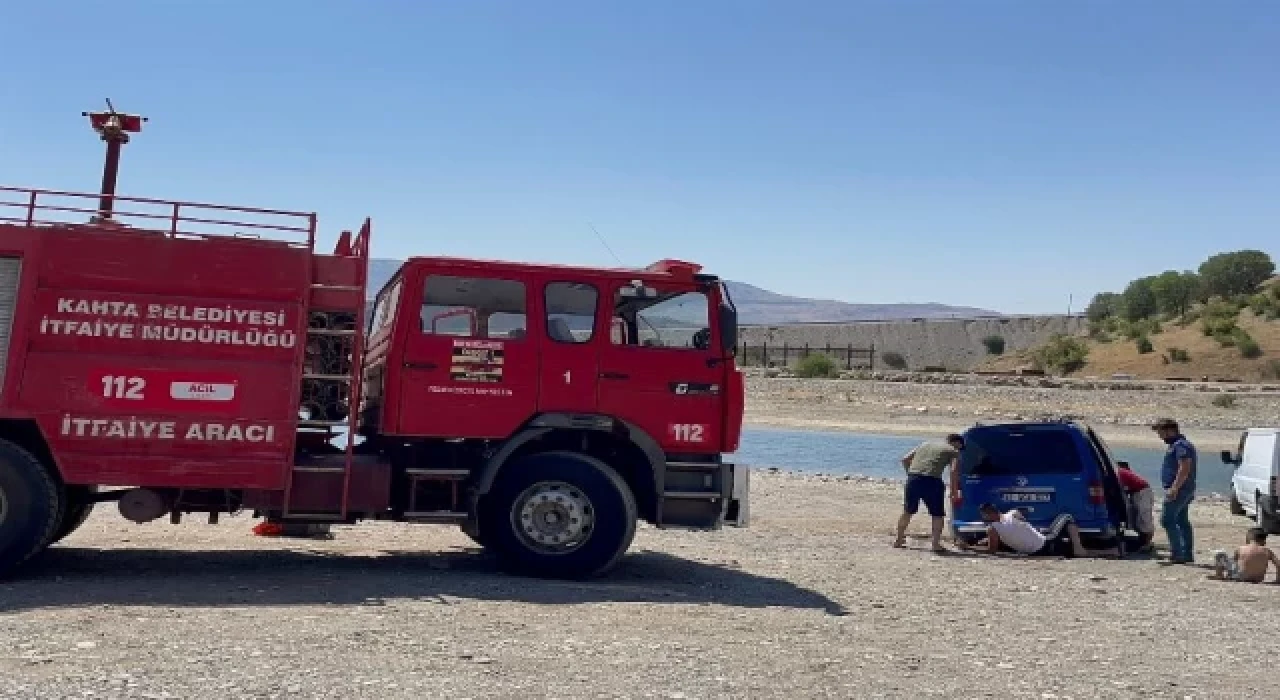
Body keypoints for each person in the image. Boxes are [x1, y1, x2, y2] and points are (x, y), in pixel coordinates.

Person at [962, 503, 1119, 558]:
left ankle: (1104, 551)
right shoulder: (1013, 513)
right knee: (1067, 517)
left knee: (1067, 549)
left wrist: (970, 547)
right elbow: (1022, 519)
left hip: (1036, 549)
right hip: (1044, 542)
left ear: (987, 514)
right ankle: (1081, 549)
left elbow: (991, 550)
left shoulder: (993, 529)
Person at [893, 433, 964, 552]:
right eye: (961, 447)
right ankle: (935, 544)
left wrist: (911, 475)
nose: (960, 450)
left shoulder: (925, 444)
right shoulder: (953, 451)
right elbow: (953, 470)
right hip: (932, 481)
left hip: (913, 478)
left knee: (907, 511)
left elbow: (905, 460)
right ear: (957, 443)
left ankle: (899, 539)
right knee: (937, 514)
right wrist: (954, 491)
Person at [1153, 418, 1197, 564]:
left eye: (1161, 433)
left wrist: (1174, 488)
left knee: (1166, 519)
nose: (1160, 437)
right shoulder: (1179, 445)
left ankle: (1177, 553)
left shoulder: (1180, 446)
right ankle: (1186, 553)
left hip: (1180, 490)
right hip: (1185, 489)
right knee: (1181, 519)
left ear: (1169, 430)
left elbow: (1185, 467)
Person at [1210, 528, 1280, 583]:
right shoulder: (1267, 551)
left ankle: (1219, 575)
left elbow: (1234, 561)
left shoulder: (1241, 549)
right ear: (1263, 540)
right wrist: (1278, 579)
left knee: (1220, 554)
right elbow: (1278, 564)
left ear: (1248, 539)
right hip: (1258, 578)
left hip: (1240, 577)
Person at [1115, 461, 1155, 551]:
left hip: (1142, 491)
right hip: (1137, 492)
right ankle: (1143, 542)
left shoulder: (1119, 472)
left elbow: (1121, 489)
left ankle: (1147, 543)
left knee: (1144, 517)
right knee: (1138, 518)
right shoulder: (1122, 472)